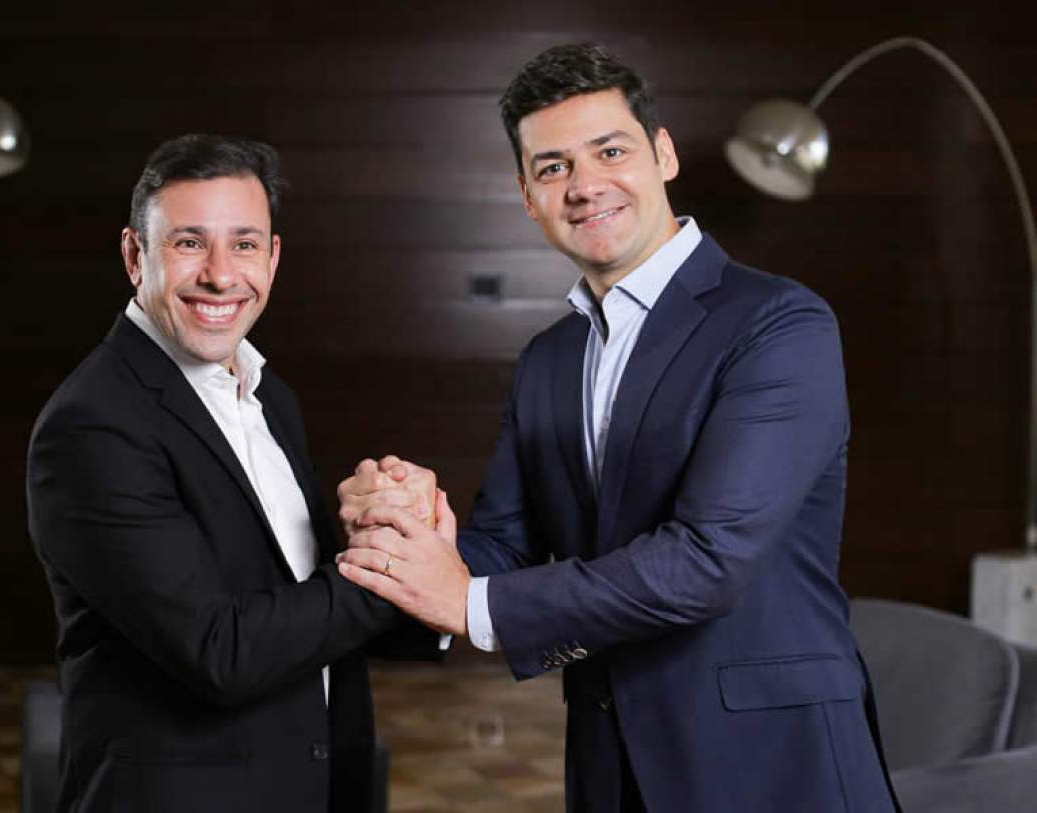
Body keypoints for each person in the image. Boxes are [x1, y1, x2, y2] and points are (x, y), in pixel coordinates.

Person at [337, 44, 899, 812]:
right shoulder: (547, 358)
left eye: (609, 151)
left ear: (662, 154)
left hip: (771, 761)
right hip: (609, 758)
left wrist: (469, 604)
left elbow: (707, 561)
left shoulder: (779, 323)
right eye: (553, 166)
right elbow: (504, 544)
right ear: (528, 196)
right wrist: (411, 536)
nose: (584, 184)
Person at [27, 134, 402, 812]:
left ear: (273, 257)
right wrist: (390, 572)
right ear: (134, 256)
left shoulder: (267, 395)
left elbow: (299, 597)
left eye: (244, 244)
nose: (222, 275)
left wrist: (397, 529)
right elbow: (217, 649)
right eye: (189, 243)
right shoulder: (92, 425)